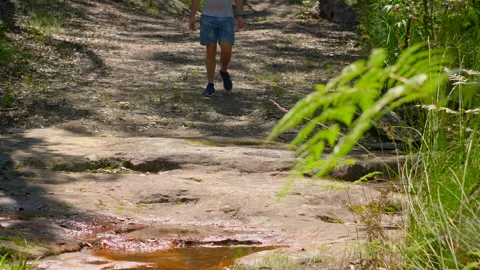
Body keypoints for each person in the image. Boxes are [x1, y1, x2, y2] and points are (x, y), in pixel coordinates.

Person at [189, 0, 246, 97]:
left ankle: (224, 70)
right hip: (208, 17)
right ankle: (210, 84)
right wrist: (192, 16)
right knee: (210, 50)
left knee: (226, 48)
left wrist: (240, 15)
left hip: (226, 18)